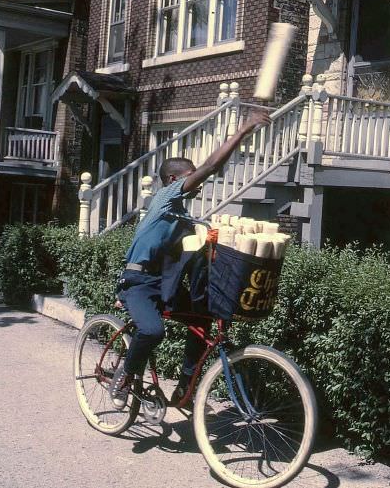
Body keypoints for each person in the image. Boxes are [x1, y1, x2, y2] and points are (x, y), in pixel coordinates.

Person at [109, 108, 271, 410]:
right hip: (138, 282)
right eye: (190, 176)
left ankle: (185, 387)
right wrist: (243, 130)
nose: (196, 183)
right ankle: (124, 375)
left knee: (202, 318)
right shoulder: (165, 198)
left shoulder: (183, 216)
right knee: (153, 330)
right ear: (173, 179)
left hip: (163, 284)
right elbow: (210, 167)